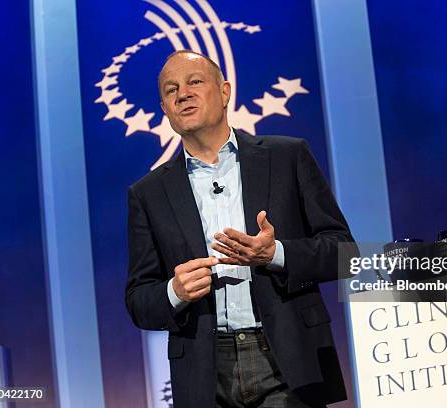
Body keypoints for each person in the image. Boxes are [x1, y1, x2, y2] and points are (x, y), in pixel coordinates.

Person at [125, 50, 357, 408]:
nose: (182, 94)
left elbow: (344, 253)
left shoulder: (287, 157)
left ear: (224, 92)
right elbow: (139, 300)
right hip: (204, 372)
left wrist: (275, 253)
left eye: (194, 82)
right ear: (165, 109)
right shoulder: (148, 194)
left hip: (285, 360)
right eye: (171, 90)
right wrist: (175, 291)